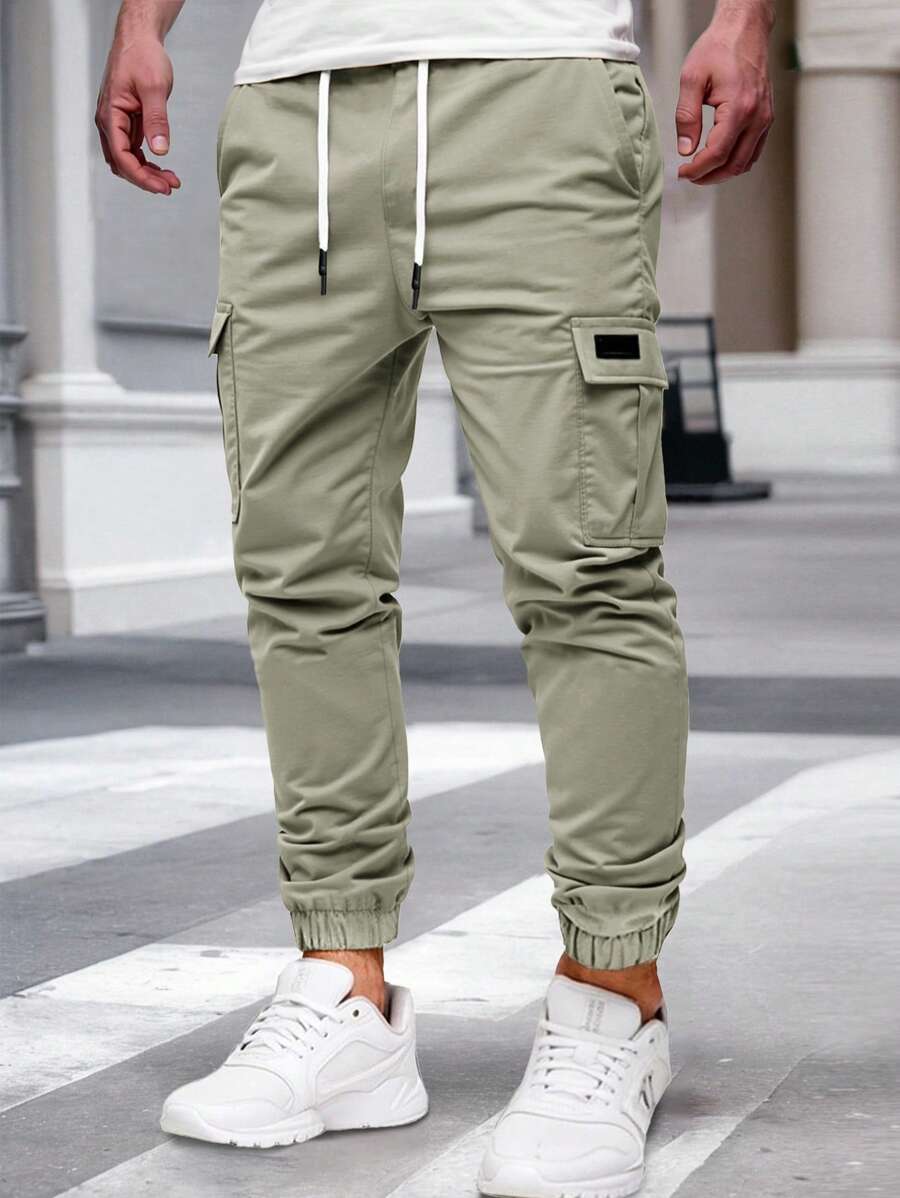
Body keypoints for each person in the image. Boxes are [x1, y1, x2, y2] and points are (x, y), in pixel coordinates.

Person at [96, 2, 773, 1193]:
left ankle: (613, 996)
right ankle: (342, 987)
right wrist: (142, 21)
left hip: (539, 86)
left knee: (586, 565)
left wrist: (743, 16)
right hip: (295, 105)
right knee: (302, 570)